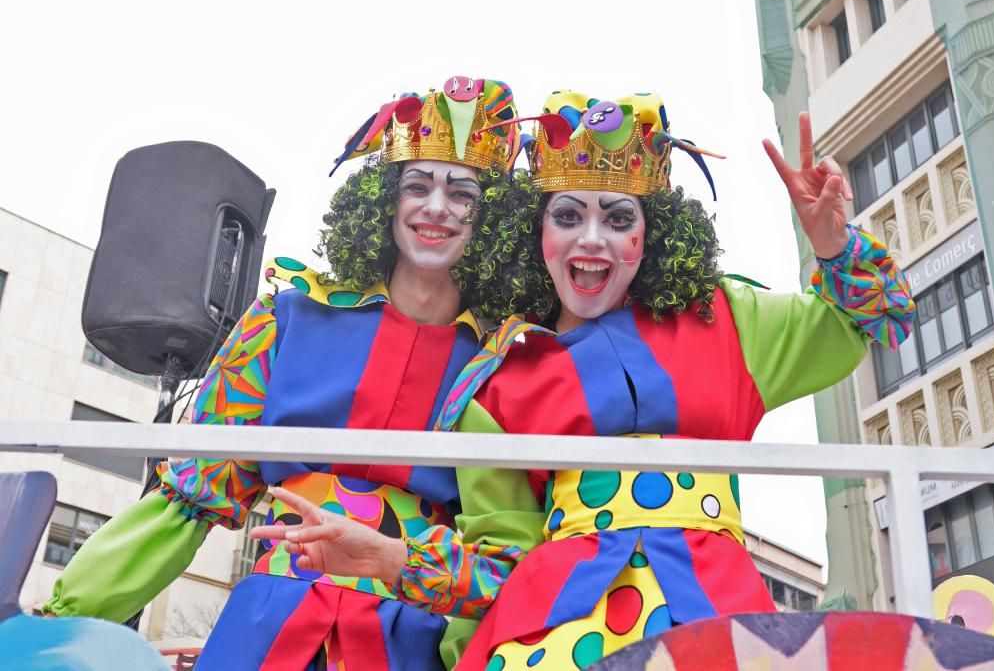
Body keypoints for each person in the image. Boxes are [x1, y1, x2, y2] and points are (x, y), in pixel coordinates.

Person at [251, 90, 916, 670]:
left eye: (618, 218)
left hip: (719, 612)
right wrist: (388, 559)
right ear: (535, 232)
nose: (591, 240)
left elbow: (882, 321)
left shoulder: (730, 319)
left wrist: (835, 247)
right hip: (553, 630)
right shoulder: (498, 383)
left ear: (652, 237)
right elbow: (497, 567)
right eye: (567, 216)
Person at [42, 75, 532, 671]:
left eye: (463, 193)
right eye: (417, 184)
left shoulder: (506, 358)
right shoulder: (287, 317)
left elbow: (508, 557)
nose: (436, 208)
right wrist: (58, 624)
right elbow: (191, 497)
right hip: (268, 623)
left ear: (497, 217)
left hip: (412, 637)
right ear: (383, 198)